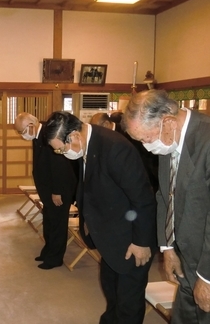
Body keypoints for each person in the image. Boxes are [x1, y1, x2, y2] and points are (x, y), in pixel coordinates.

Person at [44, 111, 156, 323]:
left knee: (128, 302)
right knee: (112, 292)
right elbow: (90, 187)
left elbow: (143, 199)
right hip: (109, 235)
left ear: (75, 136)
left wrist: (141, 242)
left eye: (61, 149)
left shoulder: (115, 148)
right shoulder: (87, 144)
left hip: (130, 238)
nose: (61, 153)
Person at [123, 89, 210, 322]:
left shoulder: (206, 140)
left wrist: (207, 278)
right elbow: (165, 195)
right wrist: (167, 248)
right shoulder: (169, 138)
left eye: (145, 139)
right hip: (186, 259)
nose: (146, 147)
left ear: (168, 121)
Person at [14, 112, 77, 270]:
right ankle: (48, 251)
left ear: (30, 126)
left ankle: (55, 258)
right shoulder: (38, 135)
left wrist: (57, 191)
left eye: (22, 132)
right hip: (48, 189)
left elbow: (60, 166)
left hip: (59, 189)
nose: (22, 136)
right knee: (49, 221)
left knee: (57, 224)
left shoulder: (49, 135)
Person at [90, 112, 159, 192]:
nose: (95, 133)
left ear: (106, 124)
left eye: (97, 129)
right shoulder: (101, 138)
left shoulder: (127, 132)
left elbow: (143, 155)